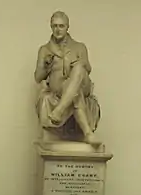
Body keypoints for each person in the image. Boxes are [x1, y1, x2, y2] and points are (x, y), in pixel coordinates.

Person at [34, 11, 101, 145]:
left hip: (82, 83)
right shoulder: (45, 49)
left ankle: (59, 110)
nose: (58, 29)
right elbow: (37, 77)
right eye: (55, 26)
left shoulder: (79, 47)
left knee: (79, 69)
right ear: (51, 27)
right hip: (59, 87)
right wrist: (46, 66)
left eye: (61, 26)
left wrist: (78, 64)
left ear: (67, 27)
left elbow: (88, 69)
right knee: (74, 93)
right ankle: (87, 133)